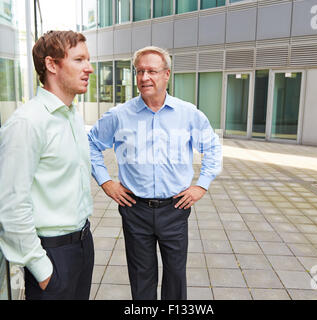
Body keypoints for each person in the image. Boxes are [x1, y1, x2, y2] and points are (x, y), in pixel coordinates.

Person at [88, 46, 222, 300]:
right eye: (139, 71)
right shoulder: (119, 115)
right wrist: (106, 182)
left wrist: (201, 185)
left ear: (167, 74)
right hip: (134, 209)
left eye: (151, 71)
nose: (144, 77)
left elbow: (213, 148)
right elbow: (91, 144)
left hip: (175, 209)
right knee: (141, 279)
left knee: (175, 277)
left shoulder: (188, 114)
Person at [0, 30, 95, 300]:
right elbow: (10, 208)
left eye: (88, 60)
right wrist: (43, 271)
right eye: (79, 60)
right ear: (51, 64)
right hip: (52, 256)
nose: (89, 68)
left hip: (82, 245)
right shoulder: (27, 123)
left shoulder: (70, 116)